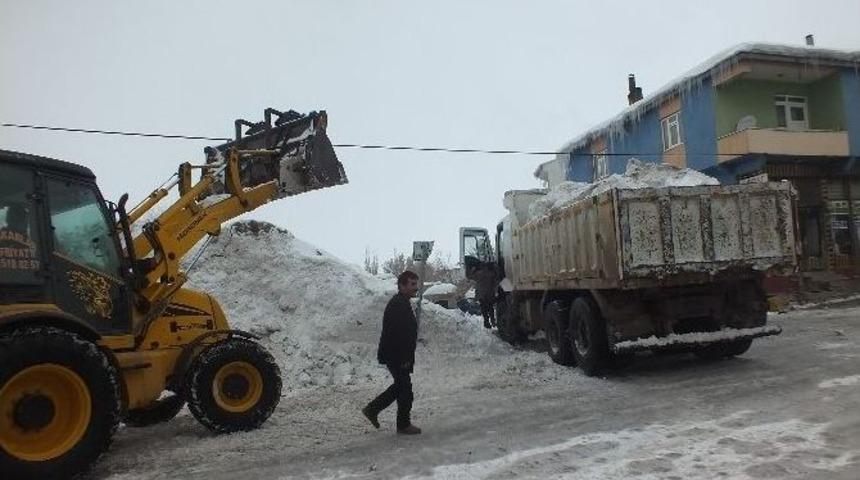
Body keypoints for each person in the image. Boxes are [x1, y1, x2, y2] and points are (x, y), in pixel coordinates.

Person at [362, 270, 422, 435]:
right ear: (402, 285)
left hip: (397, 355)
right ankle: (402, 424)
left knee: (400, 387)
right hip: (396, 356)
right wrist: (403, 359)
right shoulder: (398, 304)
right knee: (405, 390)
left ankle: (374, 410)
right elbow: (397, 334)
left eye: (416, 284)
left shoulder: (402, 302)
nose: (415, 288)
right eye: (412, 284)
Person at [474, 263, 498, 329]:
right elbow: (495, 282)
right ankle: (492, 321)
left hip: (481, 295)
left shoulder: (478, 273)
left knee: (484, 309)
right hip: (489, 294)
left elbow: (476, 284)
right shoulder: (491, 273)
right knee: (490, 308)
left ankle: (486, 322)